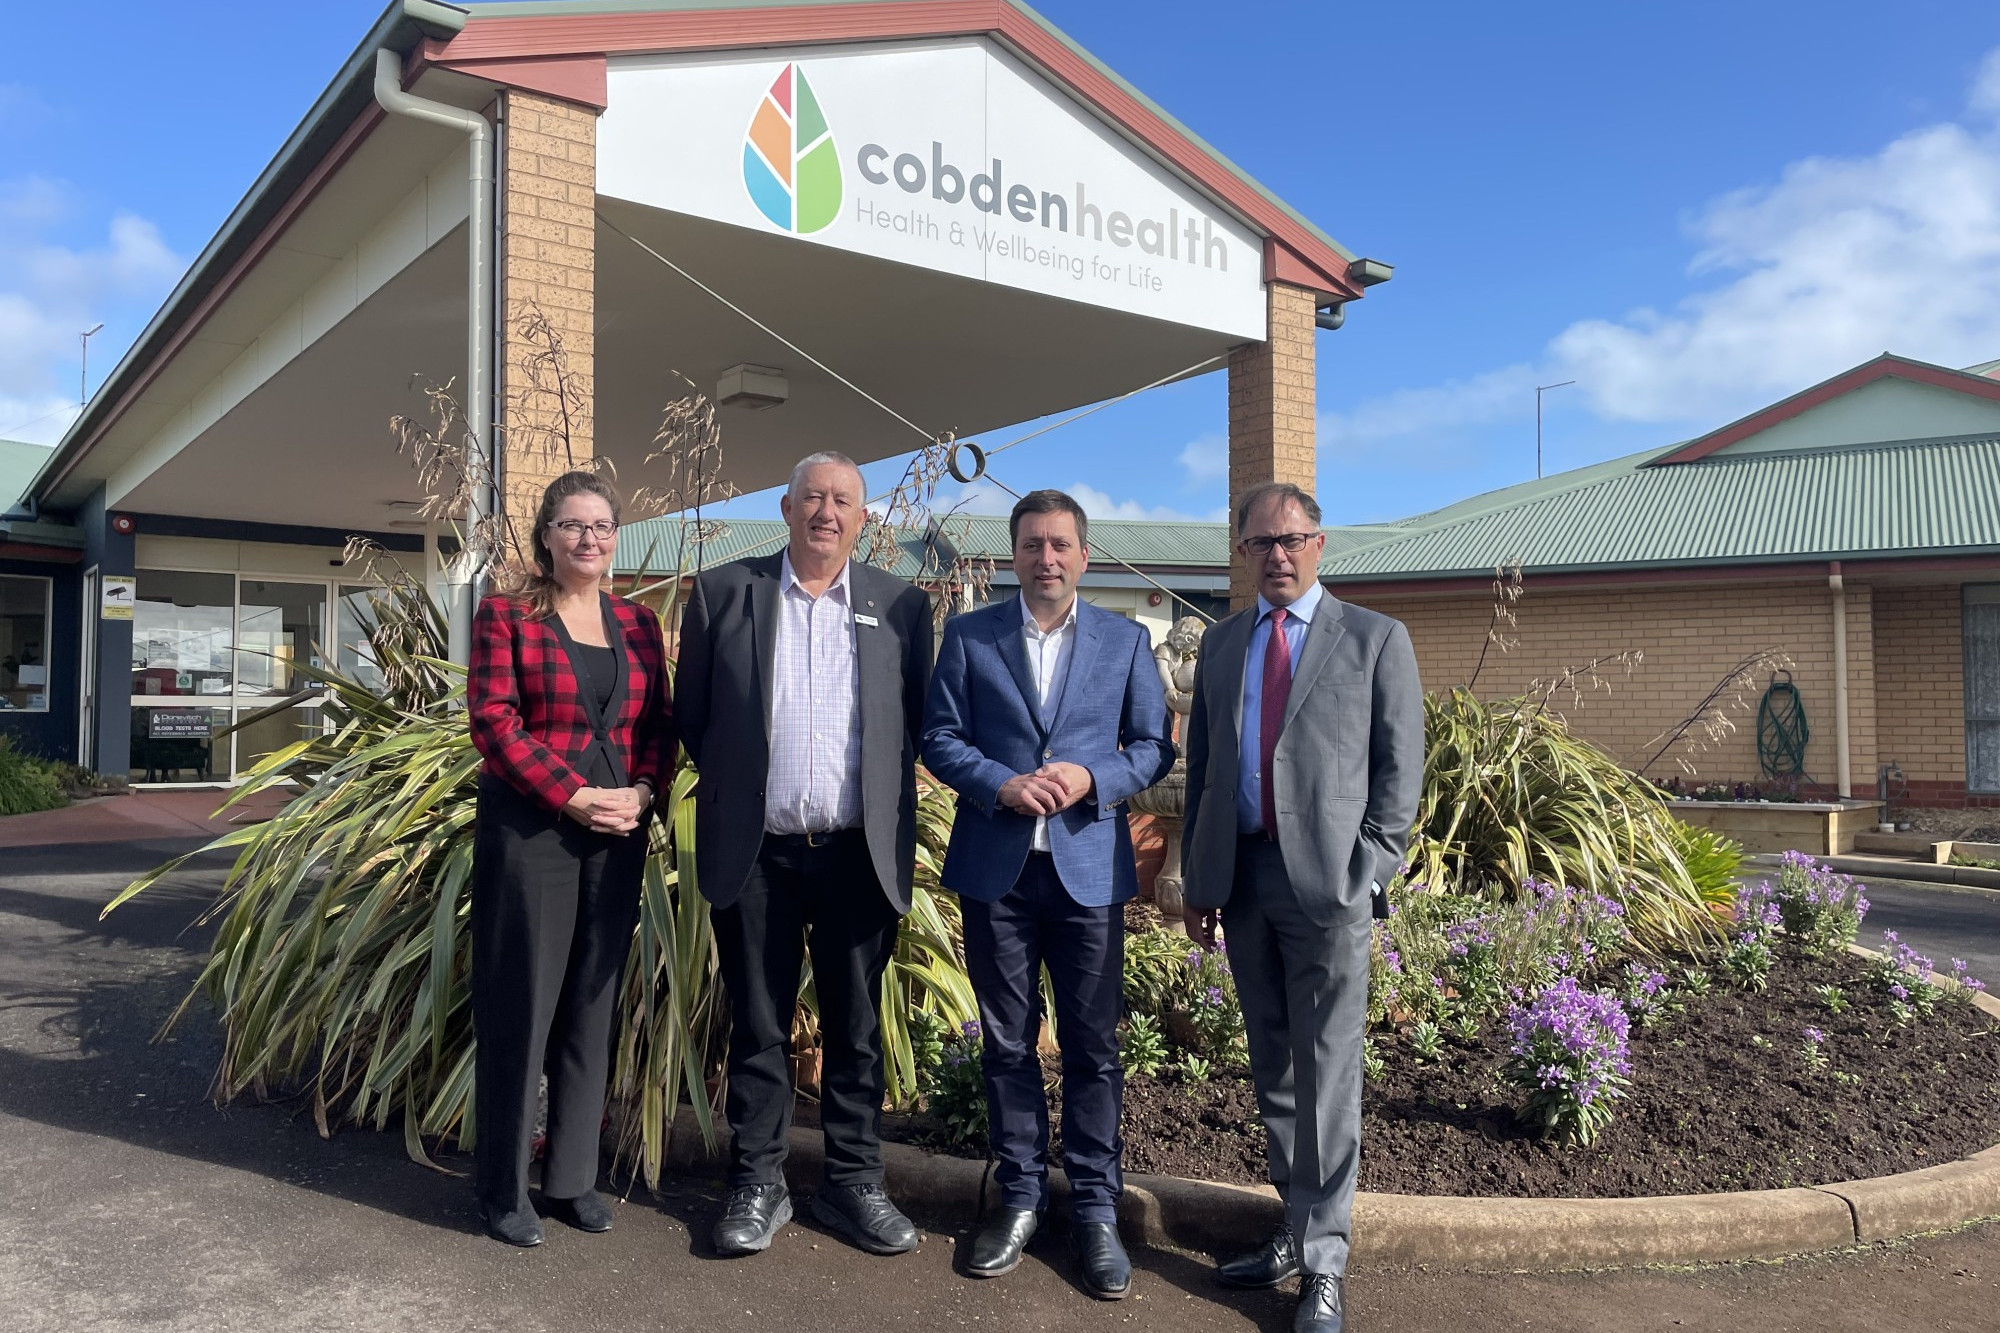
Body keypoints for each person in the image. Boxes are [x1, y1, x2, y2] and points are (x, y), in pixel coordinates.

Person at [674, 451, 934, 1258]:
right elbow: (696, 719)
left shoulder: (901, 606)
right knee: (756, 1023)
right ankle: (758, 1179)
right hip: (757, 852)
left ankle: (854, 1182)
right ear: (786, 508)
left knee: (856, 1028)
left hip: (859, 855)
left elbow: (914, 722)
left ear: (863, 520)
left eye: (844, 501)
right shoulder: (724, 592)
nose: (828, 511)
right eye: (813, 497)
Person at [1179, 481, 1424, 1333]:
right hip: (1243, 880)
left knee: (1329, 1075)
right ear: (1242, 553)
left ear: (1320, 545)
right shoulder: (1221, 644)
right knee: (1275, 1066)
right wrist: (1200, 881)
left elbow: (1399, 777)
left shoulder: (1374, 639)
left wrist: (1367, 868)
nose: (1277, 555)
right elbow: (1205, 771)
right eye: (1260, 543)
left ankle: (1325, 1262)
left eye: (1292, 539)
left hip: (1329, 889)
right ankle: (1294, 1222)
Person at [922, 489, 1174, 1301]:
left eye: (1061, 544)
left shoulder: (1127, 640)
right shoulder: (968, 636)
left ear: (1084, 555)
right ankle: (1021, 1196)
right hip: (998, 868)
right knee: (1006, 1043)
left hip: (1089, 869)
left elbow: (1153, 747)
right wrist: (1001, 783)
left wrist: (1091, 775)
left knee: (1094, 1046)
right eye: (1032, 545)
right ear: (1013, 555)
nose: (1047, 558)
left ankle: (1096, 1209)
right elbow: (940, 737)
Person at [466, 470, 676, 1247]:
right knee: (521, 1004)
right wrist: (574, 795)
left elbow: (659, 722)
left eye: (601, 526)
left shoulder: (639, 623)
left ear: (614, 538)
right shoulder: (507, 615)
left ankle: (570, 1179)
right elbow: (493, 721)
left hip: (618, 833)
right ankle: (500, 1188)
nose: (588, 538)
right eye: (571, 525)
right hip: (533, 834)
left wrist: (646, 789)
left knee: (592, 1002)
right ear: (545, 537)